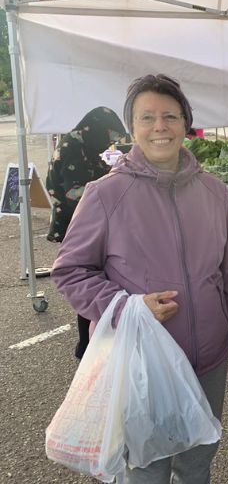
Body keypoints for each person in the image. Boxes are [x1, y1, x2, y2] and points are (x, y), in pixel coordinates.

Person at [52, 74, 228, 483]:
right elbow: (70, 271)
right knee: (146, 468)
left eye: (170, 116)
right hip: (140, 363)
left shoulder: (214, 191)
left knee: (197, 462)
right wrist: (127, 305)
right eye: (147, 117)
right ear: (132, 128)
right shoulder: (105, 195)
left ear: (186, 124)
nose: (160, 127)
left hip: (208, 359)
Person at [46, 106, 126, 360]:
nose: (109, 142)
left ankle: (91, 342)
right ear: (96, 128)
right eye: (108, 136)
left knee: (95, 278)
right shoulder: (72, 147)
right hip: (78, 223)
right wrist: (114, 191)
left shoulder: (85, 145)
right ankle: (87, 345)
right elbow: (74, 192)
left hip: (89, 221)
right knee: (88, 280)